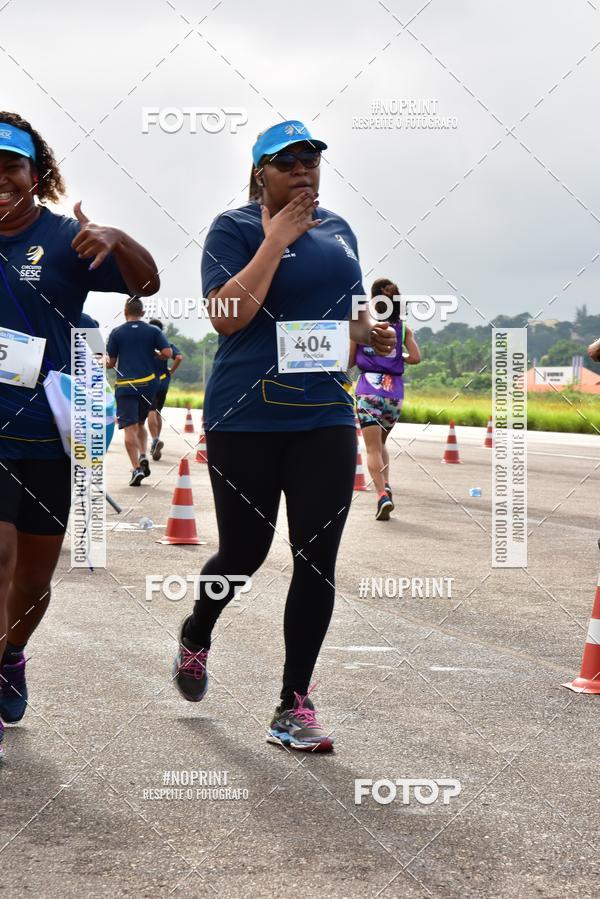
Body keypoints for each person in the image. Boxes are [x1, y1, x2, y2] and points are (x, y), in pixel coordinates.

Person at [173, 119, 396, 753]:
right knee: (243, 555)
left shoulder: (340, 230)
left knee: (316, 560)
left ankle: (293, 704)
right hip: (246, 416)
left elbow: (351, 315)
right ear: (260, 173)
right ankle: (197, 630)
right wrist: (275, 240)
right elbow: (227, 317)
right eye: (287, 162)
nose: (302, 171)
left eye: (311, 161)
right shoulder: (234, 228)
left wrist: (370, 332)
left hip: (323, 414)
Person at [0, 111, 159, 760]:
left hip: (48, 431)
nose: (1, 179)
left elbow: (146, 282)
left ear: (35, 174)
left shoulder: (66, 239)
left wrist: (118, 239)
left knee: (33, 580)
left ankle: (12, 654)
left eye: (11, 166)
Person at [350, 279, 421, 521]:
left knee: (371, 448)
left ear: (373, 300)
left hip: (369, 391)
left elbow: (349, 361)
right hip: (394, 394)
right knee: (381, 444)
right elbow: (416, 357)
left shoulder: (362, 328)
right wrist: (397, 356)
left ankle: (381, 495)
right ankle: (387, 484)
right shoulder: (403, 328)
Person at [106, 301, 171, 485]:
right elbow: (168, 353)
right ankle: (143, 454)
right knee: (141, 423)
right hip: (148, 385)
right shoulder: (153, 331)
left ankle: (136, 468)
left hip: (126, 386)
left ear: (124, 311)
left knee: (130, 427)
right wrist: (156, 355)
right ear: (142, 312)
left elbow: (111, 363)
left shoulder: (117, 332)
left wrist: (99, 360)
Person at [147, 318, 183, 461]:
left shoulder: (146, 345)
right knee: (157, 411)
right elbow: (179, 357)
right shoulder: (167, 344)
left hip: (150, 381)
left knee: (150, 410)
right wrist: (171, 371)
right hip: (164, 381)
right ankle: (157, 439)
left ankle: (155, 440)